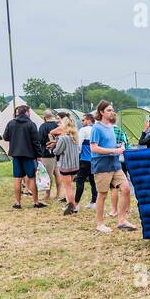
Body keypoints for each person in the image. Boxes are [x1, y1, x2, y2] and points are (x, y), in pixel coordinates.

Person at [91, 100, 134, 233]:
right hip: (102, 165)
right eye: (109, 110)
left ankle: (121, 220)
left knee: (126, 189)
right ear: (102, 112)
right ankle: (100, 224)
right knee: (102, 195)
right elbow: (94, 148)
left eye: (112, 109)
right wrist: (114, 151)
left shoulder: (111, 126)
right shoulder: (96, 128)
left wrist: (117, 147)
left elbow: (108, 146)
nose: (112, 112)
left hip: (115, 164)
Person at [3, 105, 44, 209]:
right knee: (31, 178)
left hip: (16, 155)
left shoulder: (11, 123)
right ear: (26, 112)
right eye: (29, 112)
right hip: (29, 155)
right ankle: (36, 202)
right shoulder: (31, 124)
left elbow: (5, 137)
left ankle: (17, 203)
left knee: (17, 179)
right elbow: (36, 142)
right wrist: (39, 154)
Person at [52, 115, 81, 215]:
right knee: (70, 186)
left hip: (66, 166)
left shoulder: (63, 138)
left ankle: (72, 207)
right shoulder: (75, 137)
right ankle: (71, 205)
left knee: (67, 187)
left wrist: (53, 148)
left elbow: (57, 151)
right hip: (74, 165)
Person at [74, 112, 96, 209]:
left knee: (80, 181)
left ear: (88, 120)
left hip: (84, 160)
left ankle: (76, 204)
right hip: (95, 159)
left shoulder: (83, 130)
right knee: (93, 182)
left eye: (83, 120)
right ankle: (93, 202)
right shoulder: (96, 129)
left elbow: (78, 145)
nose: (82, 122)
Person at [38, 110, 60, 201]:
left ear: (44, 117)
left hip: (47, 153)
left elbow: (41, 140)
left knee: (48, 175)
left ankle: (48, 194)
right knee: (57, 174)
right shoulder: (57, 125)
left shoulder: (43, 126)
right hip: (58, 153)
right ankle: (59, 193)